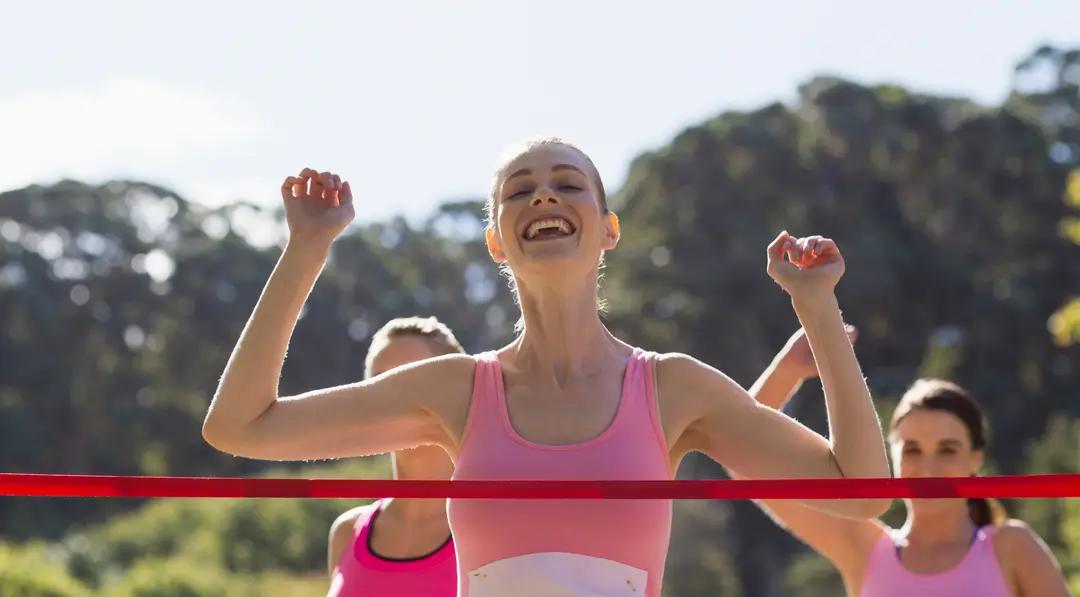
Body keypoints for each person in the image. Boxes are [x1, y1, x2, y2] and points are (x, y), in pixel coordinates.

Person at [202, 137, 892, 597]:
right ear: (497, 242)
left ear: (608, 227)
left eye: (568, 183)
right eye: (519, 190)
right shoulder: (457, 389)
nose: (543, 196)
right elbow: (241, 425)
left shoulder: (673, 387)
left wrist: (816, 305)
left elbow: (862, 492)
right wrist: (307, 249)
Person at [746, 328, 1072, 596]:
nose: (928, 469)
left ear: (976, 459)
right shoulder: (863, 547)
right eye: (912, 450)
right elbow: (743, 460)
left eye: (947, 451)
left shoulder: (1012, 547)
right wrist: (787, 369)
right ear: (892, 456)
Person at [326, 316, 461, 597]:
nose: (393, 400)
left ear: (455, 394)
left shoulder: (490, 531)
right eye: (379, 384)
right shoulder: (346, 533)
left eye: (412, 379)